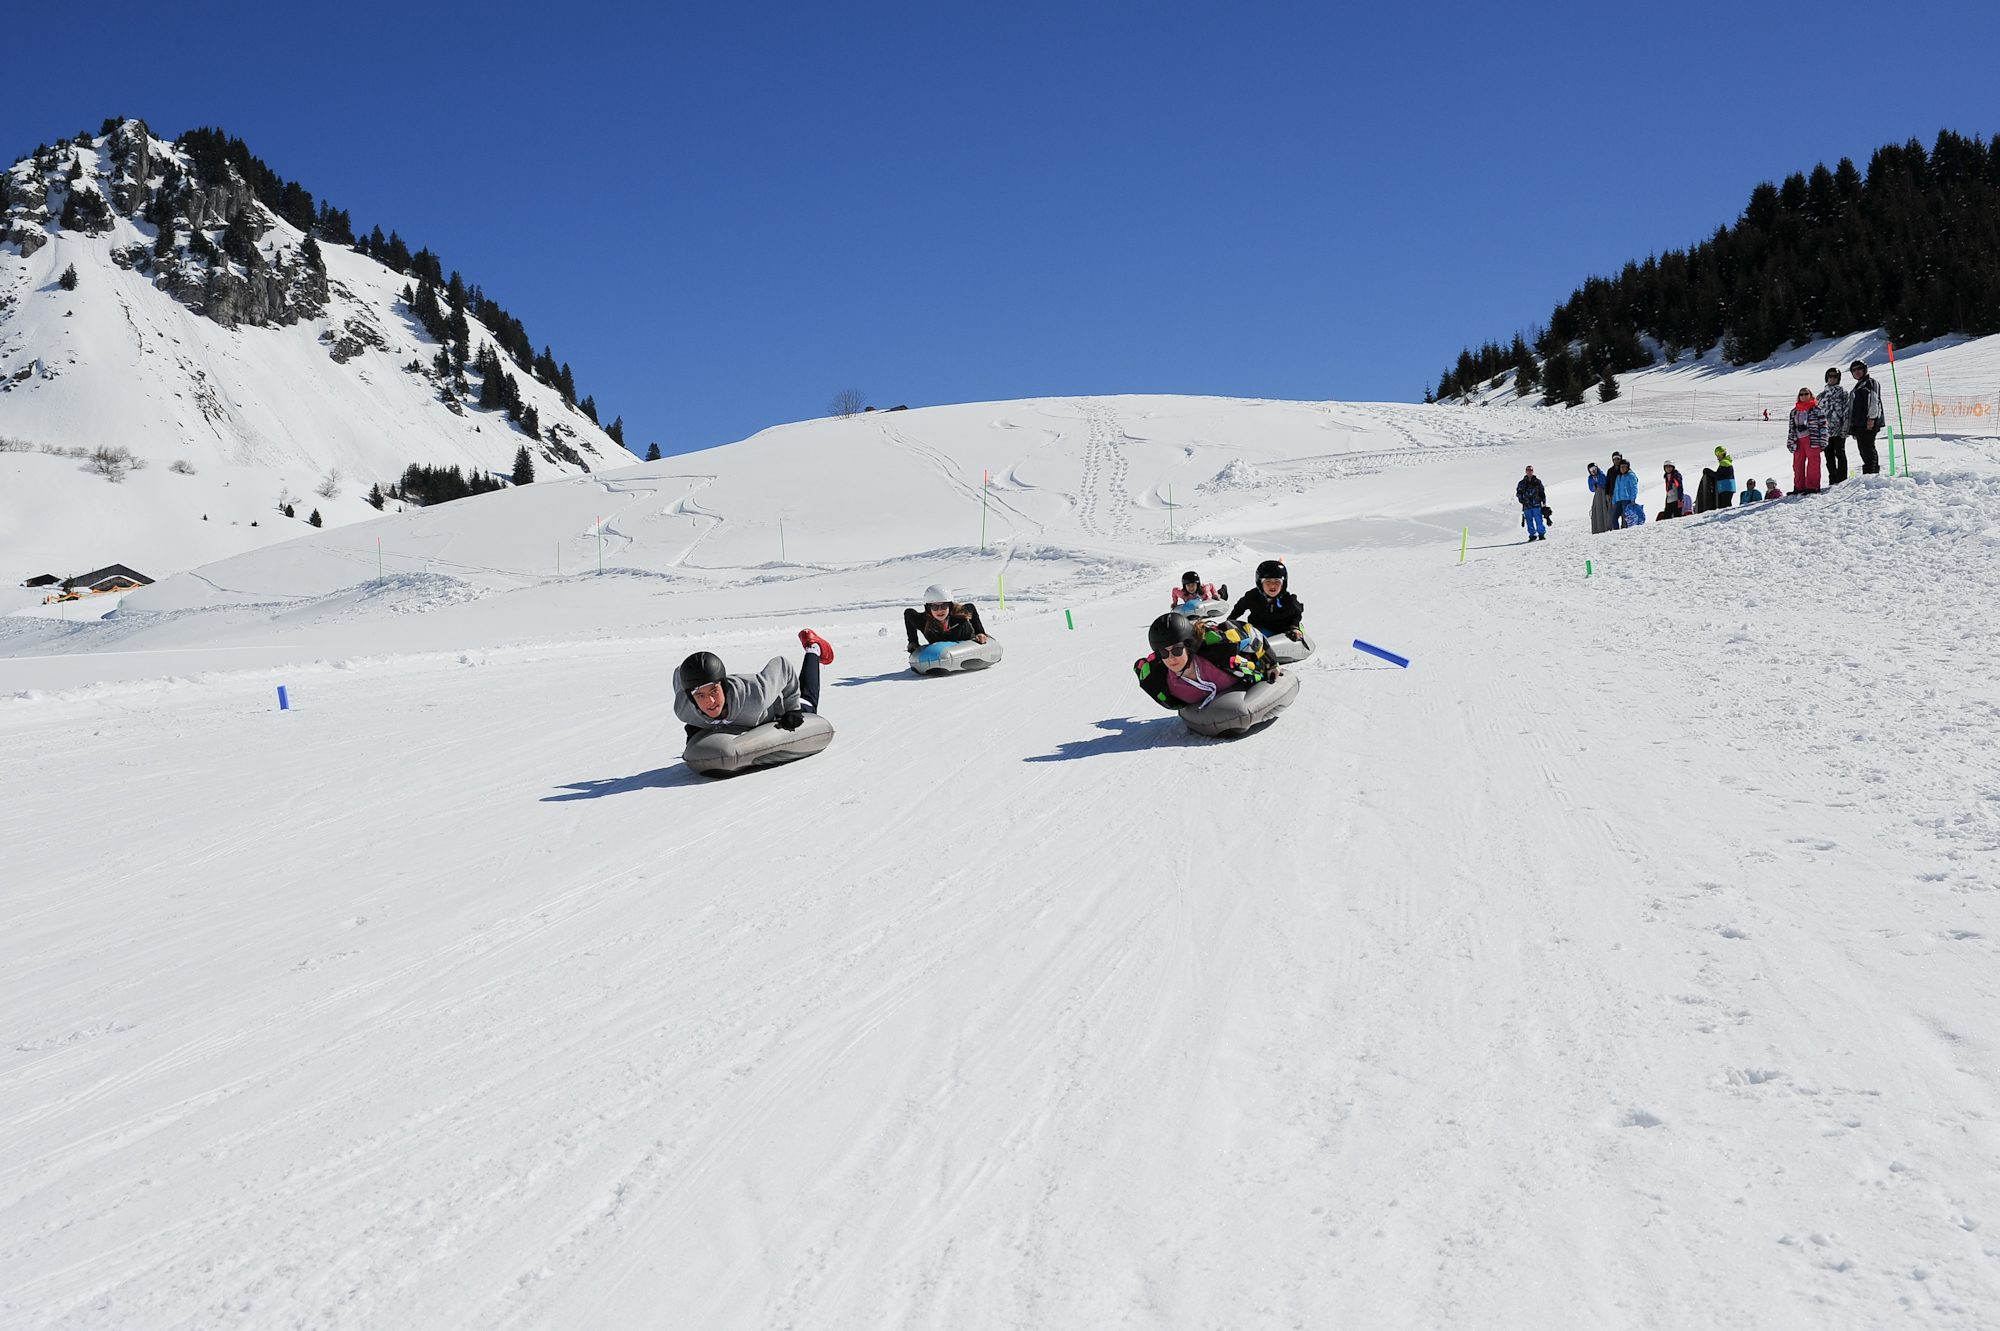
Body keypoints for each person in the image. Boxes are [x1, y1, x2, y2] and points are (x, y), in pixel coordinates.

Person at [675, 630, 834, 739]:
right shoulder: (683, 709)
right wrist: (697, 724)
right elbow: (678, 673)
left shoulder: (757, 695)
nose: (710, 701)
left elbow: (782, 665)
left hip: (777, 707)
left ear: (723, 686)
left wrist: (792, 709)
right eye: (700, 696)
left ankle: (813, 647)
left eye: (713, 691)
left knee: (809, 703)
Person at [1134, 612, 1279, 712]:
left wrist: (1270, 662)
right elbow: (1140, 667)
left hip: (1245, 677)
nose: (1171, 658)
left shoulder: (1217, 646)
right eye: (1164, 653)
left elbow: (1250, 632)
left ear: (1188, 646)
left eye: (1177, 650)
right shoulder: (1161, 680)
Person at [1227, 559, 1306, 639]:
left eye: (1277, 582)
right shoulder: (1252, 596)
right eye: (1268, 582)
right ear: (1260, 583)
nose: (1272, 586)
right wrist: (1230, 620)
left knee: (1294, 634)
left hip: (1283, 633)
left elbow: (1297, 613)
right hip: (1260, 630)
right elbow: (1240, 607)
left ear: (1283, 585)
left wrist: (1294, 627)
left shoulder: (1288, 600)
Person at [904, 584, 990, 653]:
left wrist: (980, 632)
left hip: (968, 644)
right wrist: (913, 641)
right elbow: (908, 613)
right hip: (942, 652)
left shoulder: (959, 613)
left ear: (950, 606)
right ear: (928, 608)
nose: (940, 610)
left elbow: (971, 607)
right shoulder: (923, 621)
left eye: (944, 606)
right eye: (934, 607)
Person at [1848, 360, 1889, 474]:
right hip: (1859, 422)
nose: (1857, 372)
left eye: (1859, 369)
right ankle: (1870, 471)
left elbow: (1874, 401)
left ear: (1864, 369)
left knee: (1868, 448)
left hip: (1868, 421)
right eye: (1854, 370)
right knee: (1863, 448)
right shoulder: (1858, 385)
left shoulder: (1871, 382)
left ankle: (1871, 472)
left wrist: (1871, 418)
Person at [1815, 367, 1852, 485]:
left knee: (1840, 453)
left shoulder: (1843, 393)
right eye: (1830, 376)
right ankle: (1833, 478)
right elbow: (1816, 414)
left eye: (1835, 376)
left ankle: (1842, 479)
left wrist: (1845, 427)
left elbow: (1847, 411)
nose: (1832, 378)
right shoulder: (1821, 396)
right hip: (1825, 431)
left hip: (1839, 429)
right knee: (1828, 456)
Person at [1787, 387, 1826, 494]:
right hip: (1798, 440)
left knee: (1813, 464)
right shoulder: (1794, 411)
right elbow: (1791, 428)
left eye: (1806, 394)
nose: (1804, 396)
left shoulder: (1817, 409)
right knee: (1797, 464)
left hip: (1812, 439)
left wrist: (1823, 440)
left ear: (1810, 395)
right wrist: (1790, 441)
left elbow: (1823, 426)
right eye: (1801, 394)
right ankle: (1799, 487)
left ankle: (1813, 487)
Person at [1516, 465, 1548, 541]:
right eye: (1528, 470)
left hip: (1536, 504)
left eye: (1530, 470)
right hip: (1527, 505)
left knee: (1539, 520)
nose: (1529, 471)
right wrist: (1522, 500)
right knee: (1529, 521)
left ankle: (1541, 534)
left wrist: (1543, 501)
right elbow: (1518, 493)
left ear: (1532, 471)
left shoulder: (1537, 481)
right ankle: (1532, 535)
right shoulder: (1521, 483)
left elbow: (1542, 491)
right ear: (1526, 471)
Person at [1610, 457, 1640, 528]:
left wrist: (1633, 499)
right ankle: (1616, 531)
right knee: (1613, 518)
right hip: (1618, 500)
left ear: (1628, 467)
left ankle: (1625, 532)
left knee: (1625, 517)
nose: (1622, 468)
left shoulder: (1631, 476)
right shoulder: (1618, 477)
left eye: (1624, 467)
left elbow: (1634, 488)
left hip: (1627, 499)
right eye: (1621, 467)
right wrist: (1614, 500)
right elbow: (1616, 489)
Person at [1587, 463, 1614, 534]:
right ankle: (1598, 529)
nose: (1593, 471)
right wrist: (1595, 486)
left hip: (1604, 494)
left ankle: (1607, 527)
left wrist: (1598, 485)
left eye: (1594, 469)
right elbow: (1591, 488)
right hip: (1597, 496)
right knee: (1597, 511)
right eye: (1591, 469)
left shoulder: (1601, 475)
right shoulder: (1590, 478)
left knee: (1605, 510)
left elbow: (1605, 483)